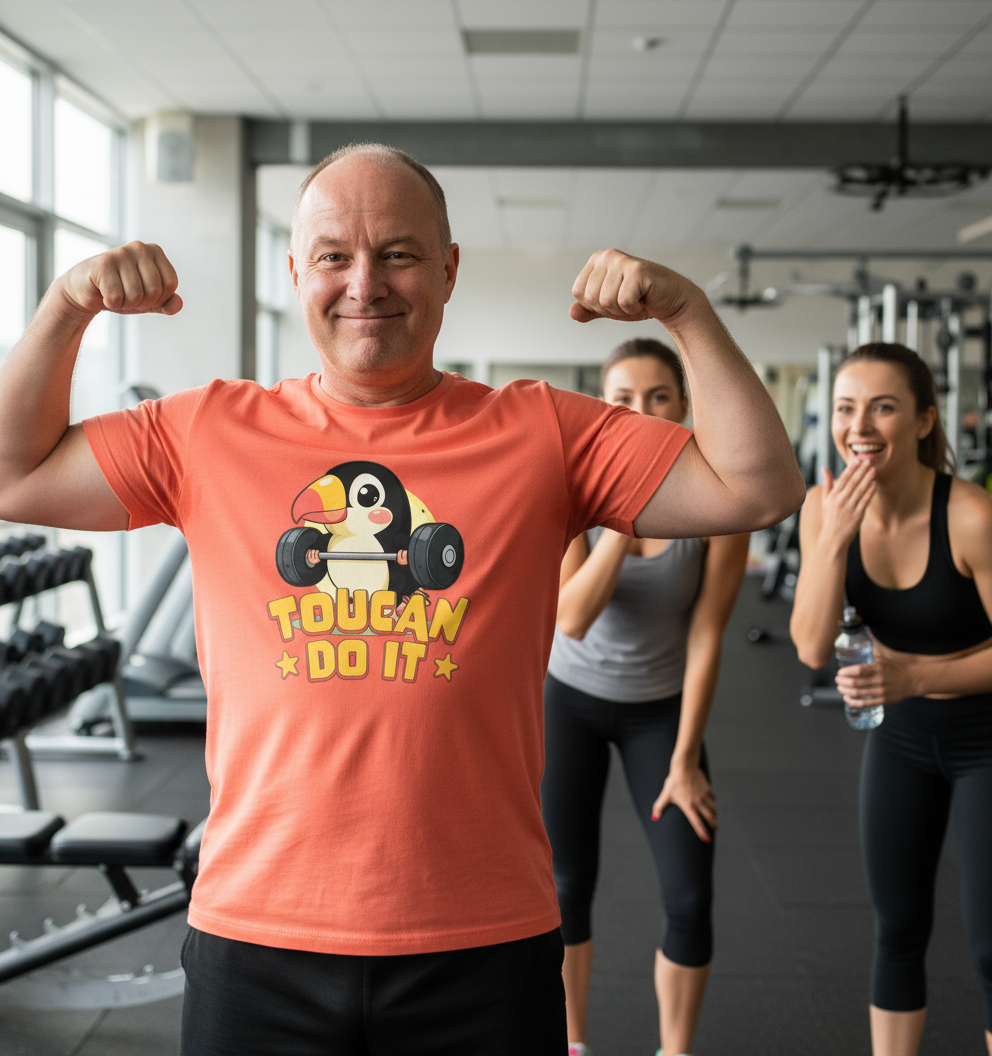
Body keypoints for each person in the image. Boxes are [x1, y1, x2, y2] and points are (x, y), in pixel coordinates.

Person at [0, 143, 804, 1056]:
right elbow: (13, 475)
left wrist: (687, 313)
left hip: (483, 943)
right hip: (257, 934)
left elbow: (759, 487)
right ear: (296, 273)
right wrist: (65, 309)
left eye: (399, 254)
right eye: (334, 255)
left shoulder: (542, 431)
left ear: (449, 269)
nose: (365, 284)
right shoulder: (206, 431)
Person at [542, 338, 749, 1056]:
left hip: (660, 713)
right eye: (623, 398)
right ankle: (572, 1044)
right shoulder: (574, 492)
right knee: (565, 887)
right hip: (568, 700)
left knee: (690, 893)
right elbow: (571, 617)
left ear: (683, 406)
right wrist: (621, 523)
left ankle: (675, 1050)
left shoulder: (717, 506)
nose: (641, 410)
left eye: (658, 396)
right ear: (603, 407)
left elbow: (708, 636)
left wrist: (686, 759)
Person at [790, 342, 992, 1056]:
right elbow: (811, 647)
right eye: (846, 408)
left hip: (986, 742)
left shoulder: (970, 517)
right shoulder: (823, 507)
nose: (860, 426)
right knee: (897, 930)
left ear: (925, 420)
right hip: (902, 742)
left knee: (991, 946)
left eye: (883, 408)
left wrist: (916, 677)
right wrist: (832, 542)